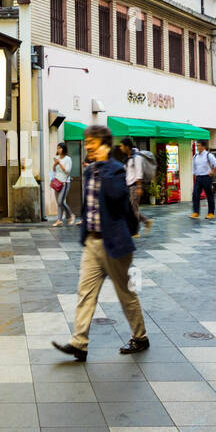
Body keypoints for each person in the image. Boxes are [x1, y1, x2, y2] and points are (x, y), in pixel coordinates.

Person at [52, 124, 148, 362]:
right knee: (85, 293)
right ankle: (79, 343)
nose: (88, 147)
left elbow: (116, 197)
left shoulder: (115, 170)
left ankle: (140, 337)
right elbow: (89, 206)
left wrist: (103, 164)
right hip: (94, 243)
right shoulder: (90, 171)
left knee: (125, 293)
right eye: (87, 143)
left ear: (104, 145)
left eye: (92, 143)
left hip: (114, 243)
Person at [121, 138, 154, 234]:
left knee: (133, 209)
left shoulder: (137, 158)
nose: (120, 148)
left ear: (127, 146)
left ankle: (135, 231)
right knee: (131, 209)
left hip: (135, 186)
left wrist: (139, 187)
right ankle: (146, 221)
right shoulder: (128, 158)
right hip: (128, 187)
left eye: (122, 146)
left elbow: (139, 173)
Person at [191, 140, 216, 219]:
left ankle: (211, 213)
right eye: (196, 146)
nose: (197, 147)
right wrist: (195, 174)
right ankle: (196, 212)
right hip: (198, 177)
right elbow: (194, 167)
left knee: (209, 195)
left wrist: (212, 172)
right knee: (195, 194)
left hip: (206, 177)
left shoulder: (208, 155)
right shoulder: (195, 156)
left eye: (199, 145)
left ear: (203, 146)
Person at [52, 142, 75, 226]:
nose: (58, 150)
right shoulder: (57, 158)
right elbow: (54, 170)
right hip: (57, 182)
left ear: (64, 149)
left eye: (60, 148)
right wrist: (55, 164)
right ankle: (59, 220)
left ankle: (71, 215)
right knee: (58, 202)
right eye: (57, 148)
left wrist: (59, 163)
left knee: (60, 201)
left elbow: (67, 171)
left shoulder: (67, 159)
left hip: (65, 182)